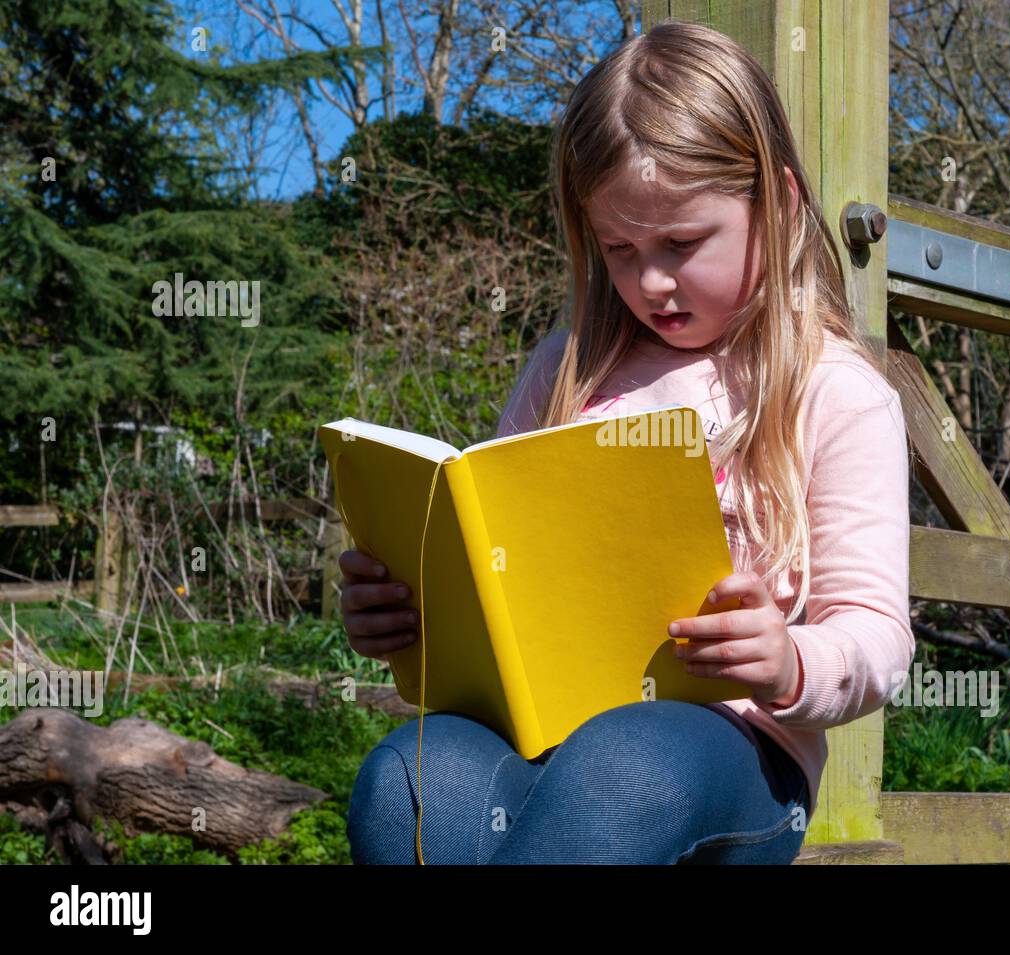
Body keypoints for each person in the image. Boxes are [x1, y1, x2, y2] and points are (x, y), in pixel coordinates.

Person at [341, 18, 914, 865]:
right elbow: (500, 567)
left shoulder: (835, 392)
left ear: (781, 204)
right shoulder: (565, 371)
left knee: (621, 767)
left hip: (733, 755)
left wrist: (787, 659)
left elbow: (878, 638)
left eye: (683, 243)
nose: (650, 280)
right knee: (407, 782)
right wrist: (411, 612)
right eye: (619, 248)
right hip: (534, 736)